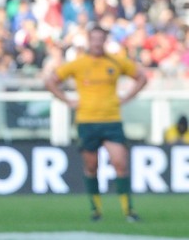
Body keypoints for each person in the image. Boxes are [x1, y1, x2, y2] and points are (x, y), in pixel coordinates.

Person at [44, 24, 148, 222]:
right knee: (92, 166)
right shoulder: (78, 64)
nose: (97, 43)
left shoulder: (116, 62)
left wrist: (126, 97)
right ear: (89, 41)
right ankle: (96, 210)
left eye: (101, 39)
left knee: (120, 163)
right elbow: (51, 81)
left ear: (105, 41)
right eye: (94, 39)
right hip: (87, 121)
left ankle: (128, 211)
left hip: (111, 120)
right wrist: (67, 100)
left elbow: (141, 77)